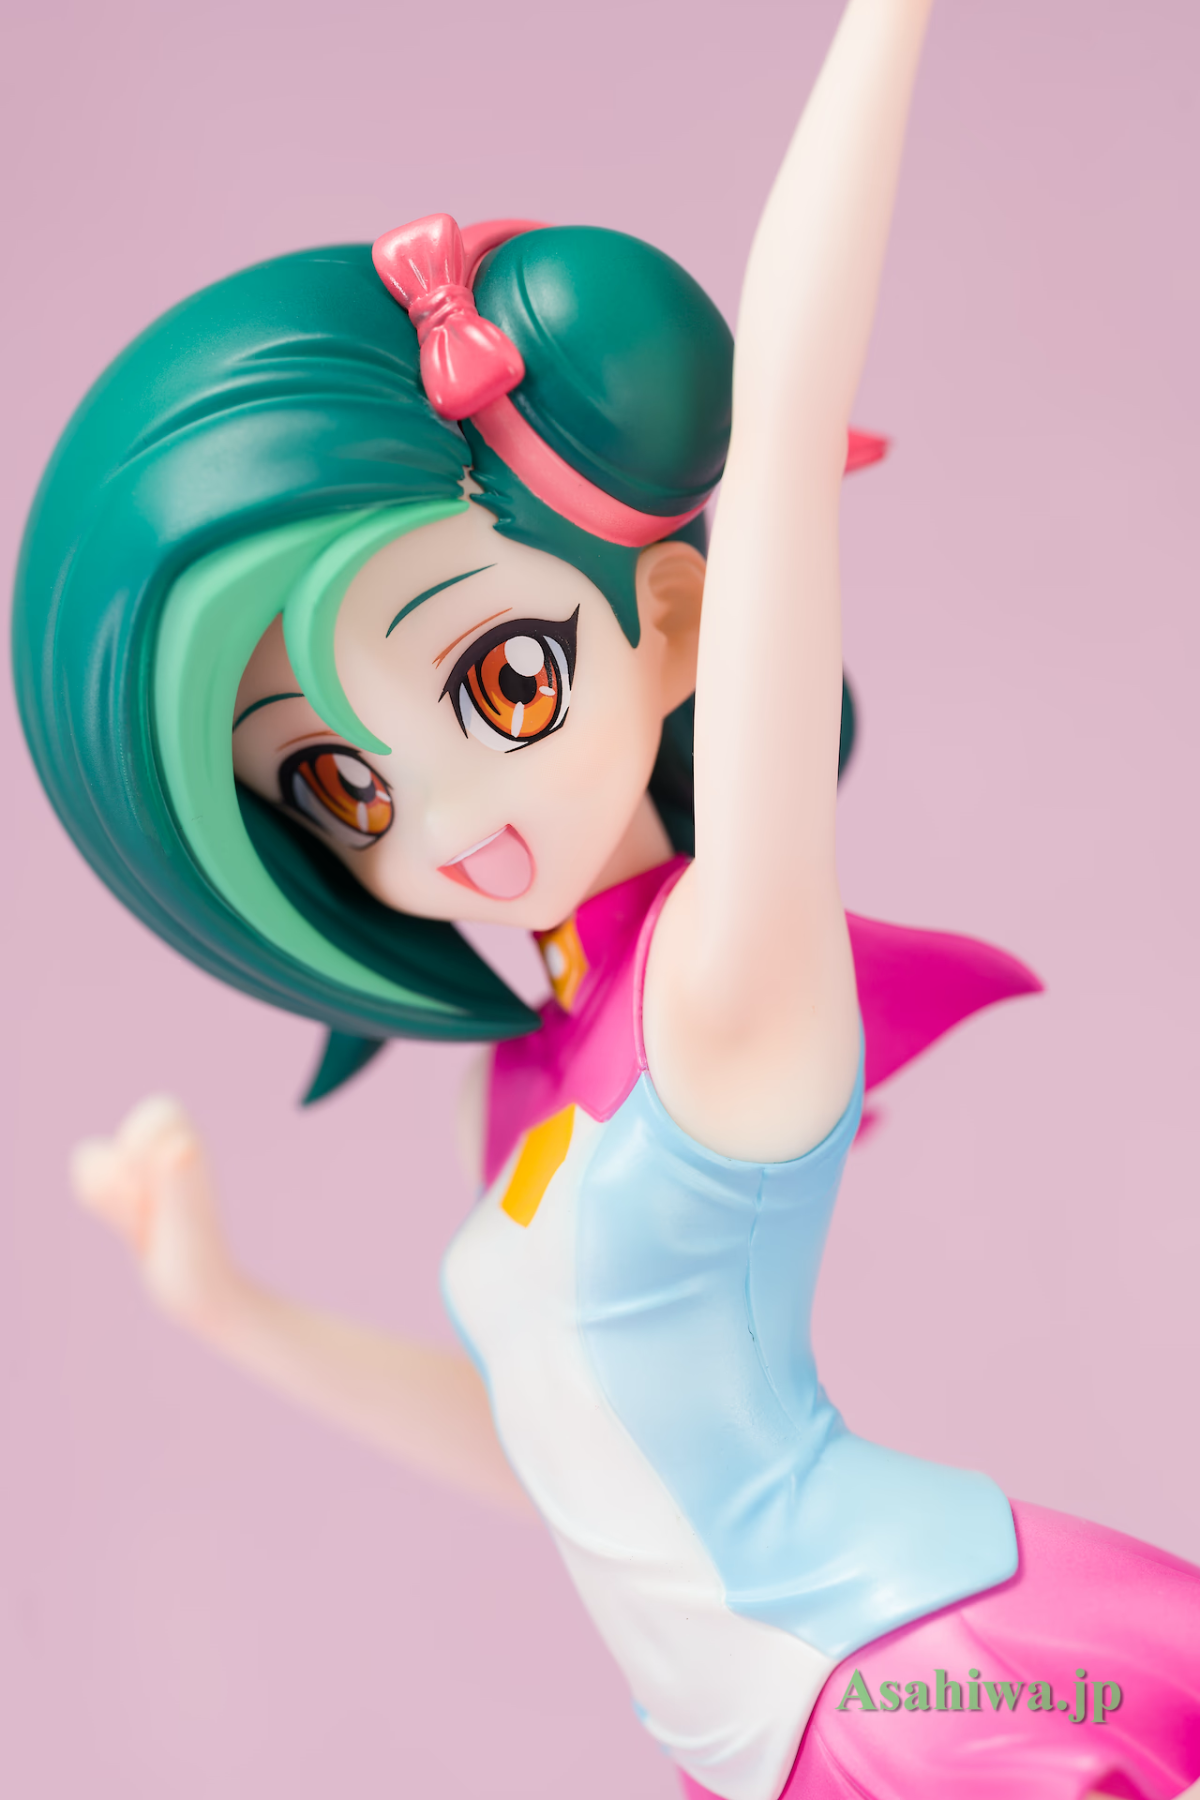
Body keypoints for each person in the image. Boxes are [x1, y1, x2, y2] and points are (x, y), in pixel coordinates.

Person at [12, 1, 1199, 1795]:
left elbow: (780, 417)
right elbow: (561, 1467)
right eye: (340, 786)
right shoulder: (532, 1073)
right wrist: (228, 1305)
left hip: (909, 1684)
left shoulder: (724, 982)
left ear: (669, 627)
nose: (445, 819)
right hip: (758, 1740)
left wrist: (887, 20)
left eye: (503, 683)